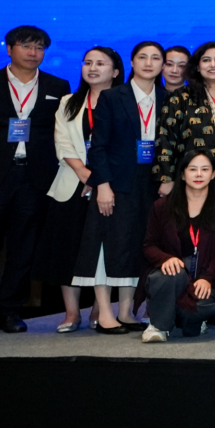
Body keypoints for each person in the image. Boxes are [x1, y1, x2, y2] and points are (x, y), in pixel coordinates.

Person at [0, 25, 70, 335]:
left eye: (40, 48)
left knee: (24, 248)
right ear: (9, 49)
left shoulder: (58, 86)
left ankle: (11, 311)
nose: (33, 53)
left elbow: (59, 130)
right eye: (26, 46)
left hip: (35, 177)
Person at [83, 39, 162, 331]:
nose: (148, 63)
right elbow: (98, 146)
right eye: (142, 57)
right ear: (131, 62)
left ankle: (127, 312)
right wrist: (102, 184)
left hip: (151, 185)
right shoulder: (113, 97)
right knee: (107, 243)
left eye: (155, 58)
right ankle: (105, 312)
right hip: (115, 183)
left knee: (137, 244)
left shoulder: (168, 98)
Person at [46, 46, 125, 333]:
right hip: (72, 184)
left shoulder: (123, 102)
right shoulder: (69, 102)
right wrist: (85, 174)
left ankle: (98, 309)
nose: (92, 68)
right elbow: (62, 141)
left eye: (100, 63)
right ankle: (71, 313)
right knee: (68, 249)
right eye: (88, 62)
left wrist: (99, 178)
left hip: (111, 185)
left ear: (115, 72)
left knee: (103, 250)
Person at [139, 149, 215, 342]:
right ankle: (158, 326)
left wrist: (207, 278)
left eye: (205, 169)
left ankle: (176, 315)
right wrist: (165, 259)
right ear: (182, 174)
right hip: (170, 275)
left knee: (200, 309)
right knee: (173, 273)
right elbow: (149, 245)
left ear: (213, 174)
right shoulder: (162, 206)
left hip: (204, 277)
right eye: (192, 169)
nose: (199, 174)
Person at [154, 41, 215, 199]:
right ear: (198, 67)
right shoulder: (180, 97)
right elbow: (165, 139)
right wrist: (167, 178)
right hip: (190, 181)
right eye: (206, 60)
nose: (213, 65)